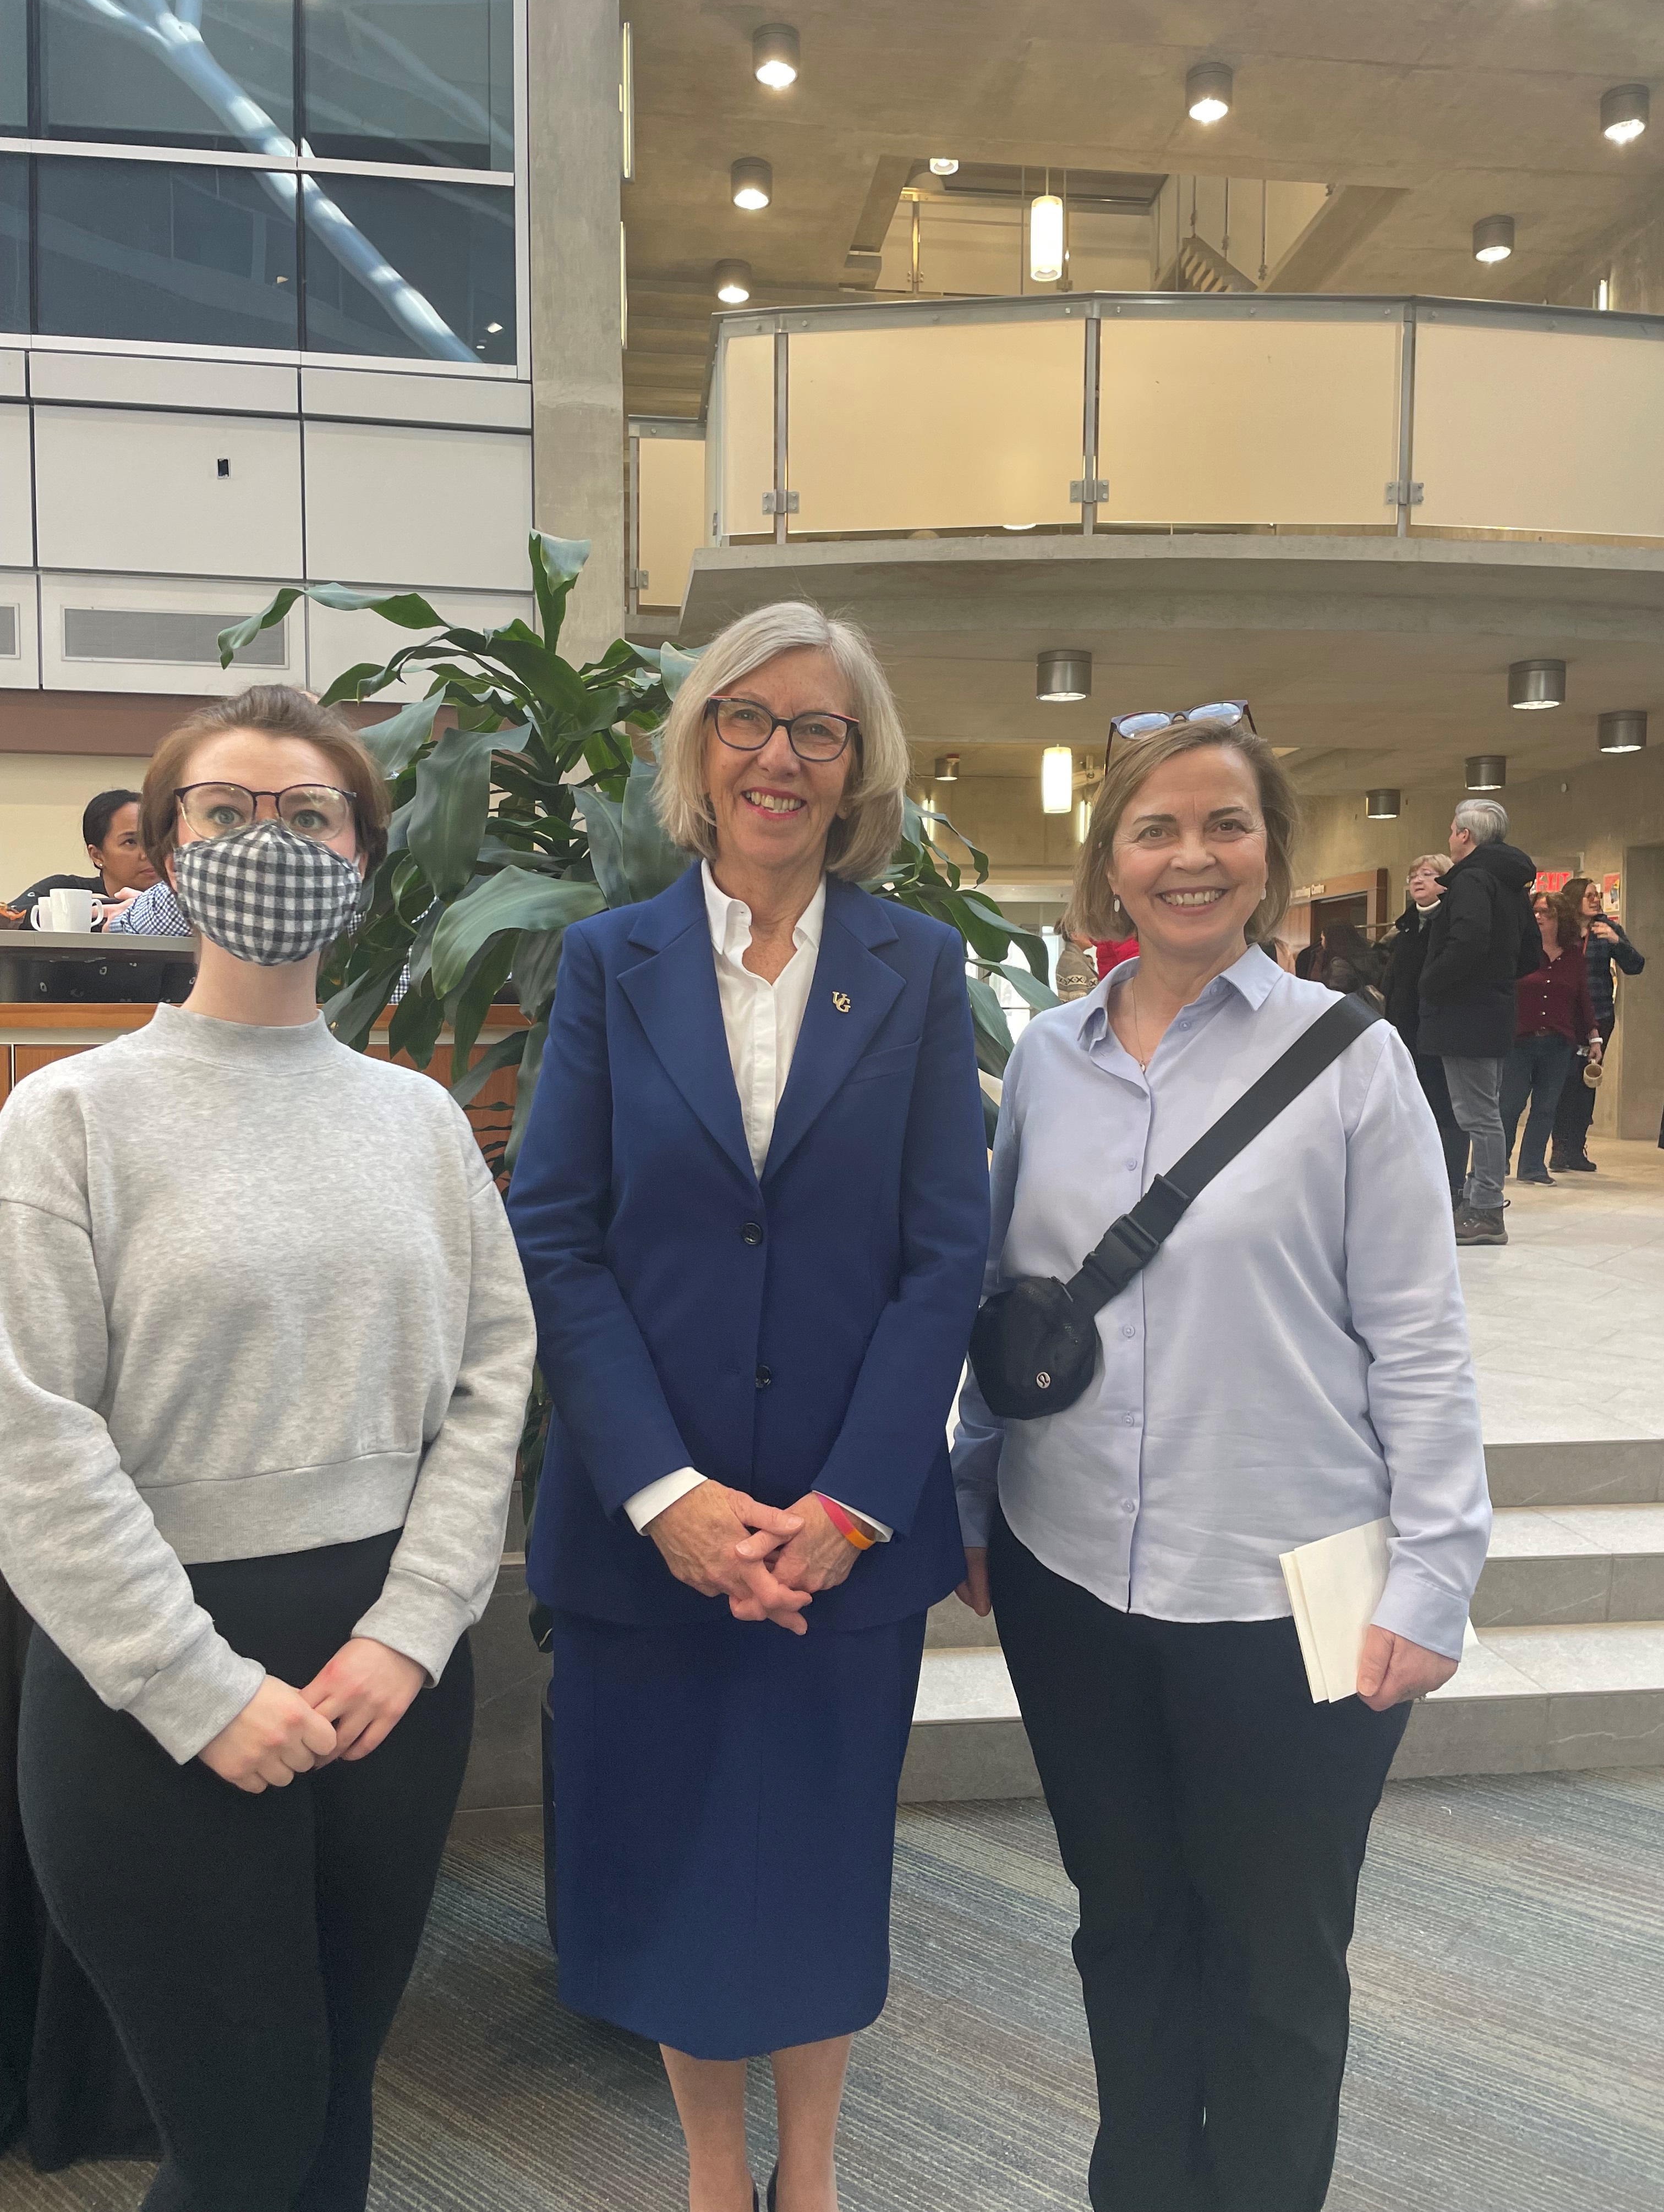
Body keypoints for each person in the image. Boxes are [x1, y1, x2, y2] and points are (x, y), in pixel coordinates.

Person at [0, 684, 536, 2212]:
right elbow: (28, 1428)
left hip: (386, 1674)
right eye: (225, 812)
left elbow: (495, 1376)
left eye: (309, 815)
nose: (267, 840)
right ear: (163, 848)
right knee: (239, 2144)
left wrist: (417, 1627)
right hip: (146, 1683)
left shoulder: (417, 1121)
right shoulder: (71, 1118)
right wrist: (198, 1687)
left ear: (363, 852)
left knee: (329, 2125)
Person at [951, 711, 1490, 2212]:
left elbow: (1423, 1339)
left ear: (1269, 855)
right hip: (1071, 1581)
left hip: (1299, 1585)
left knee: (1274, 1955)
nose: (1191, 857)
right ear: (1108, 865)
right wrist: (973, 1489)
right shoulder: (1047, 1065)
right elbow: (1015, 1311)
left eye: (1224, 827)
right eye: (1156, 831)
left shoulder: (1355, 1062)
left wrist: (1438, 1573)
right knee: (1123, 1927)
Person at [507, 602, 988, 2212]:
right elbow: (557, 1233)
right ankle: (719, 2177)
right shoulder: (606, 961)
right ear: (701, 749)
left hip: (840, 1538)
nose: (781, 756)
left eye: (820, 730)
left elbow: (947, 1256)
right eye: (749, 721)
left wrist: (856, 1505)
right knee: (679, 1875)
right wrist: (666, 1496)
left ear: (858, 772)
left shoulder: (916, 968)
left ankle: (819, 2173)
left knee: (819, 1871)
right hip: (662, 1538)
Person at [1417, 798, 1539, 1248]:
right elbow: (1529, 951)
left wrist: (1431, 982)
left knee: (1477, 1115)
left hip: (1465, 1010)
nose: (1450, 837)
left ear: (1465, 836)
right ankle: (1478, 1202)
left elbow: (1467, 939)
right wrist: (1497, 978)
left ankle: (1485, 1209)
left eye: (1452, 830)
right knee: (1484, 1111)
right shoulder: (1511, 884)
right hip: (1492, 1008)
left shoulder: (1472, 879)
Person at [1382, 854, 1468, 1206]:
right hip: (1403, 1033)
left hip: (1440, 1032)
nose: (1418, 880)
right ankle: (1413, 1183)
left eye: (1428, 874)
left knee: (1445, 1112)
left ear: (1445, 883)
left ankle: (1452, 1186)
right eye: (1413, 875)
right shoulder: (1404, 928)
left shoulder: (1451, 926)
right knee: (1407, 1111)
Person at [1502, 890, 1600, 1187]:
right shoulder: (1520, 951)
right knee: (1509, 1105)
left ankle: (1532, 1166)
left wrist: (1595, 1037)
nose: (1539, 917)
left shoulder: (1573, 957)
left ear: (1561, 920)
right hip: (1519, 1040)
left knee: (1545, 1108)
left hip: (1558, 1042)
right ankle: (1496, 1164)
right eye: (1536, 912)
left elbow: (1583, 998)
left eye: (1547, 913)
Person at [1551, 876, 1644, 1173]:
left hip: (1600, 1015)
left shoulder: (1607, 930)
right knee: (1561, 1081)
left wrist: (1618, 942)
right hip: (1563, 1017)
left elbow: (1636, 965)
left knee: (1587, 1082)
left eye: (1598, 895)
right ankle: (1559, 1148)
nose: (1595, 900)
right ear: (1574, 898)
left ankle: (1577, 1148)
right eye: (1589, 895)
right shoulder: (1560, 931)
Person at [3, 788, 156, 921]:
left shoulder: (176, 900)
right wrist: (81, 911)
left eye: (155, 840)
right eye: (130, 842)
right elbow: (7, 918)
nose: (147, 854)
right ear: (97, 855)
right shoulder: (65, 891)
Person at [1310, 920, 1383, 1002]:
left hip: (1349, 1009)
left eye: (1323, 939)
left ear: (1332, 939)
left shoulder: (1339, 964)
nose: (1322, 943)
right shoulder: (1371, 955)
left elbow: (1337, 994)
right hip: (1369, 1008)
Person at [1055, 923, 1101, 1002]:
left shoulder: (1072, 958)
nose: (1090, 935)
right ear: (1074, 935)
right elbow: (1079, 1001)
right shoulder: (1074, 961)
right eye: (1086, 931)